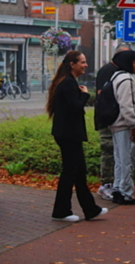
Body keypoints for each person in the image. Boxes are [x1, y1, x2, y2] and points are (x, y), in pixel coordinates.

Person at [47, 50, 108, 222]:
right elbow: (75, 107)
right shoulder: (67, 84)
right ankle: (61, 211)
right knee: (70, 172)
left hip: (68, 133)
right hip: (69, 134)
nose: (85, 65)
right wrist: (85, 95)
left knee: (79, 172)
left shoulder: (67, 82)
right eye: (82, 62)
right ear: (72, 65)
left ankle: (90, 209)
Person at [95, 44, 130, 201]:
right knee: (108, 150)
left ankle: (115, 183)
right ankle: (106, 184)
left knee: (116, 152)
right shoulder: (107, 71)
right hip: (107, 118)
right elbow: (103, 95)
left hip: (113, 118)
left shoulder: (119, 72)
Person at [108, 50, 135, 206]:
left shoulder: (115, 76)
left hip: (115, 123)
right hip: (124, 124)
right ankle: (126, 192)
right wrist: (133, 125)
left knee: (119, 159)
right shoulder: (127, 79)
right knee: (127, 158)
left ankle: (117, 188)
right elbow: (127, 105)